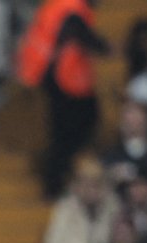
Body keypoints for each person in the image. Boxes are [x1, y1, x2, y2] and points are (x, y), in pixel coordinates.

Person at [14, 0, 108, 198]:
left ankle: (57, 179)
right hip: (62, 78)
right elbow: (76, 31)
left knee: (66, 132)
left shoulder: (58, 5)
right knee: (69, 132)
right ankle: (54, 183)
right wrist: (102, 46)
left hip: (49, 75)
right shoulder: (72, 7)